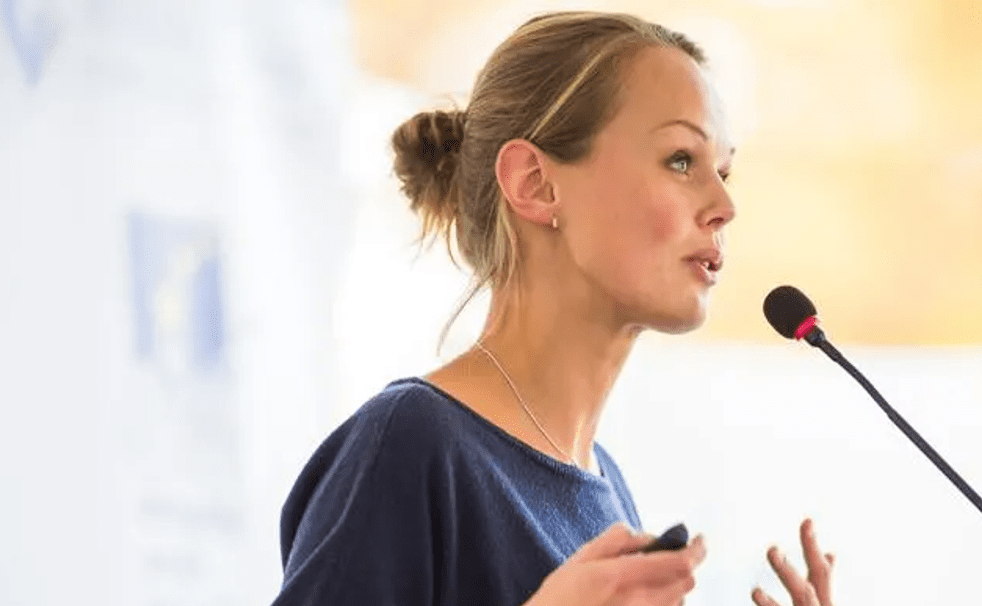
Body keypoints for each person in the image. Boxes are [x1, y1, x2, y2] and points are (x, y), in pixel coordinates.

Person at [270, 11, 837, 606]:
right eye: (681, 160)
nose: (725, 205)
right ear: (535, 184)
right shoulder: (408, 447)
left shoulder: (606, 486)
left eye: (723, 171)